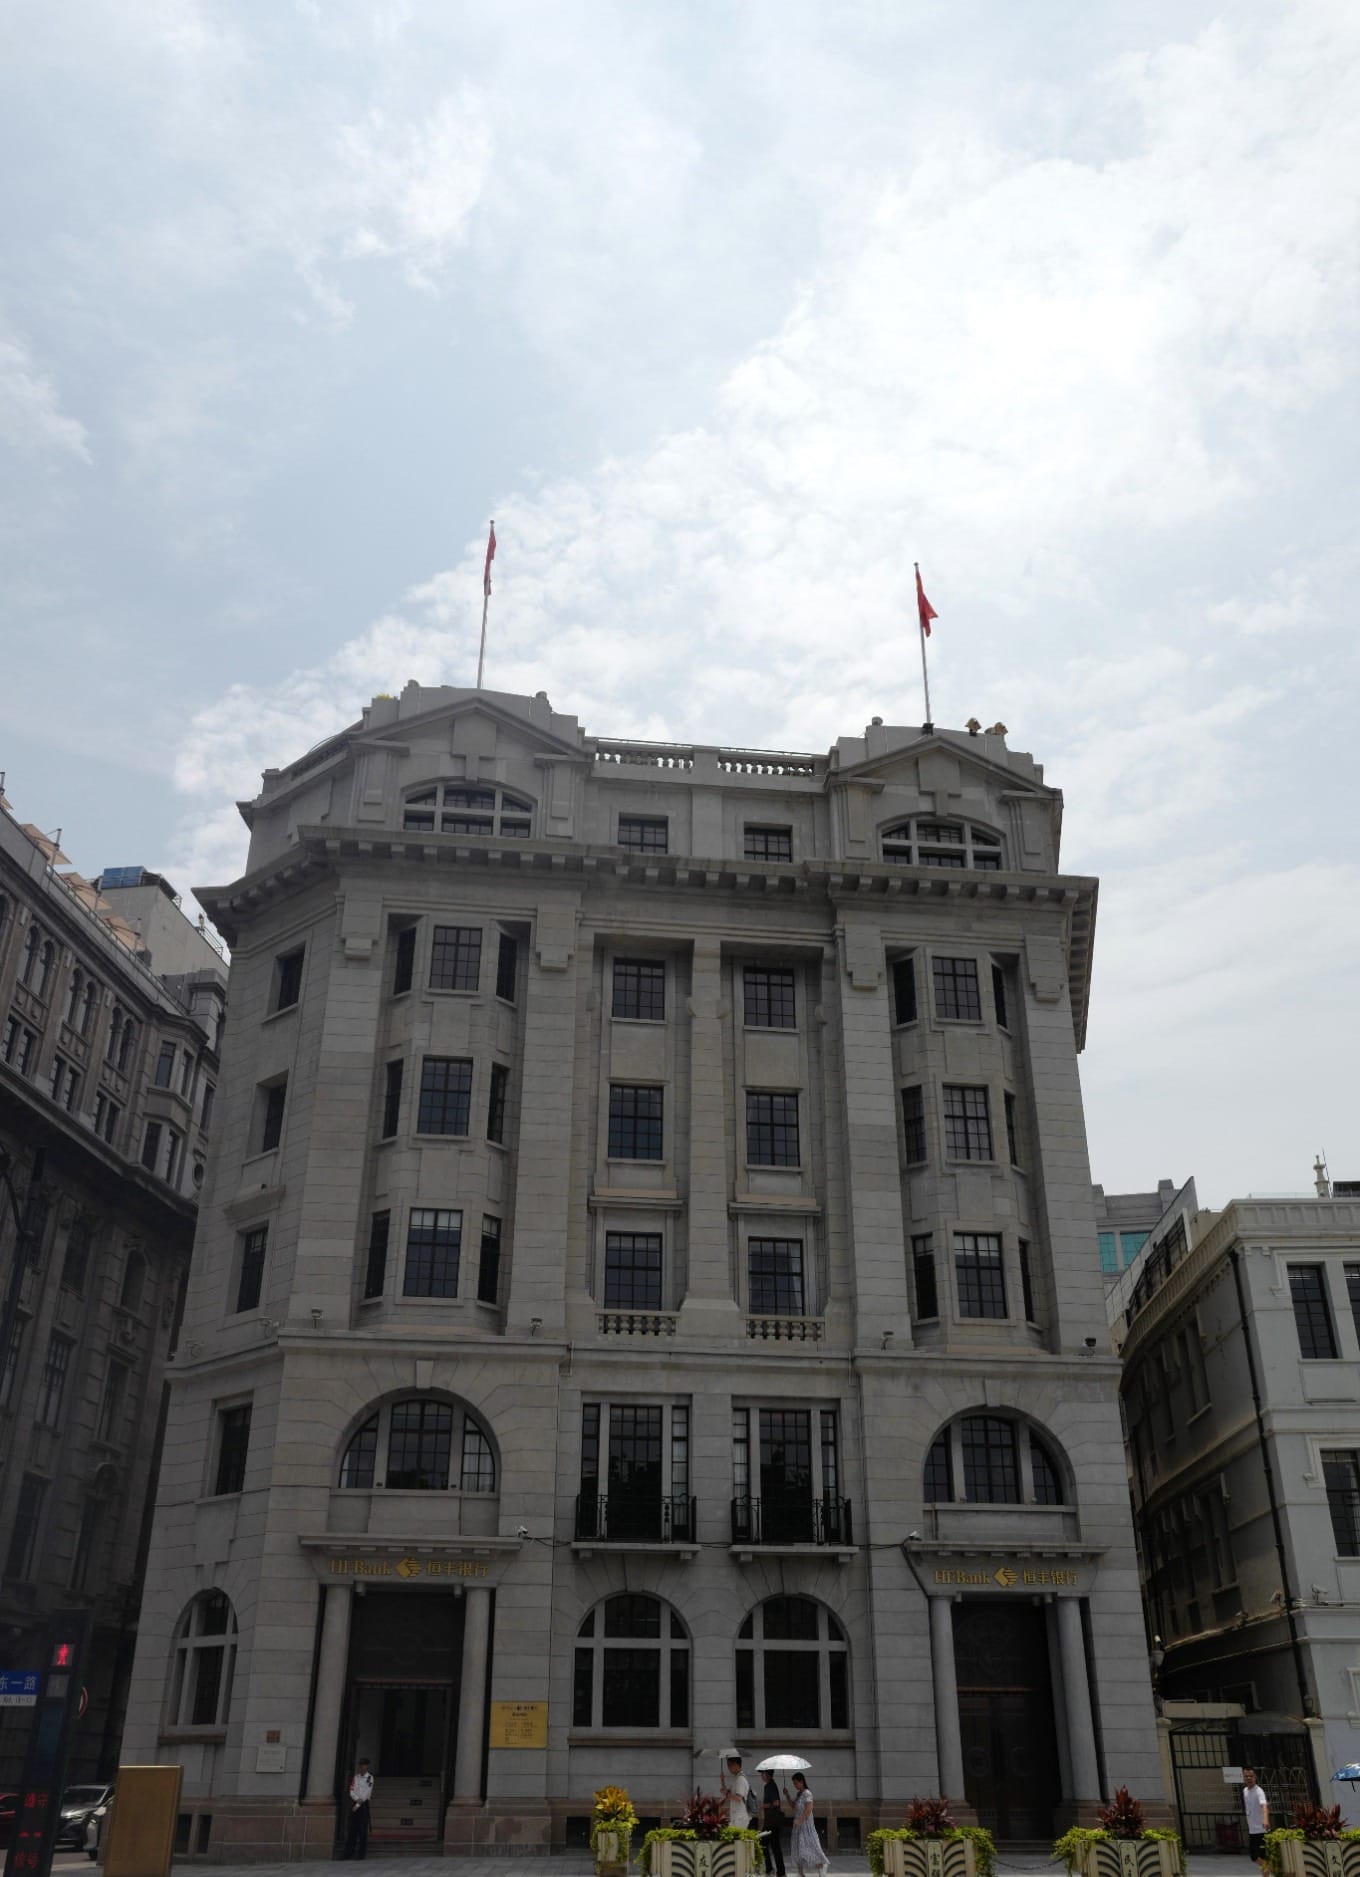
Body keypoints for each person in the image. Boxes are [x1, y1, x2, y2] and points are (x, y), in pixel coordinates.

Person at [786, 1771, 829, 1876]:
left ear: (801, 1781)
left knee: (811, 1847)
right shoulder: (799, 1794)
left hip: (806, 1826)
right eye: (793, 1783)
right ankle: (801, 1873)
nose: (795, 1785)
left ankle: (821, 1864)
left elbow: (809, 1809)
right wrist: (787, 1795)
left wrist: (800, 1820)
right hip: (798, 1826)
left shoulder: (807, 1793)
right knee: (798, 1849)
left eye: (796, 1783)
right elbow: (794, 1806)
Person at [344, 1759, 373, 1860]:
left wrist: (357, 1805)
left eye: (364, 1765)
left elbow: (366, 1792)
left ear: (367, 1766)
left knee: (362, 1830)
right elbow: (352, 1790)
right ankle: (348, 1853)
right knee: (352, 1830)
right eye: (360, 1765)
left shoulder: (369, 1778)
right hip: (355, 1803)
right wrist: (356, 1799)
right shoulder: (356, 1777)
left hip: (363, 1805)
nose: (362, 1767)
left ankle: (361, 1854)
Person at [761, 1771, 788, 1877]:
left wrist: (764, 1806)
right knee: (771, 1845)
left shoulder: (771, 1785)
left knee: (768, 1844)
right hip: (770, 1821)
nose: (761, 1776)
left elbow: (776, 1802)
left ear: (767, 1774)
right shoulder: (768, 1786)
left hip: (772, 1822)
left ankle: (775, 1871)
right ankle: (777, 1871)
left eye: (762, 1773)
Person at [1242, 1768, 1269, 1872]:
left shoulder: (1259, 1791)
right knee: (1255, 1857)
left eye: (1251, 1776)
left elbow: (1264, 1806)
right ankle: (1269, 1868)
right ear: (1244, 1778)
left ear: (1255, 1777)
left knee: (1261, 1857)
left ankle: (1273, 1869)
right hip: (1252, 1830)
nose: (1249, 1778)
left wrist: (1265, 1819)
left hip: (1261, 1830)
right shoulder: (1245, 1791)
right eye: (1246, 1776)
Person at [720, 1756, 751, 1829]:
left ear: (736, 1764)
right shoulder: (737, 1778)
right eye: (728, 1765)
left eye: (730, 1765)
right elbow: (727, 1793)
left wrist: (727, 1793)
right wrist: (722, 1781)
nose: (728, 1767)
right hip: (737, 1816)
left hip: (740, 1817)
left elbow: (738, 1798)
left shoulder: (740, 1779)